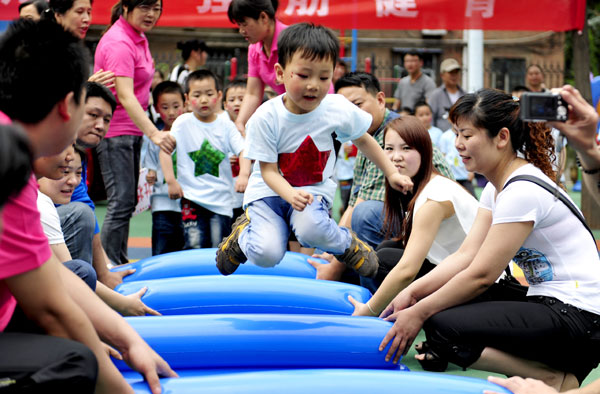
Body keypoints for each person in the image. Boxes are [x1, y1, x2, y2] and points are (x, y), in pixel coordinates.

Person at [378, 88, 600, 391]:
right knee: (432, 303)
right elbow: (466, 255)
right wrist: (412, 293)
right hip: (549, 305)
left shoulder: (522, 190)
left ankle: (551, 377)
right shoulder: (496, 189)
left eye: (467, 135)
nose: (458, 144)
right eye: (456, 134)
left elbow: (482, 275)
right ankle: (553, 371)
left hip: (579, 316)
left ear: (502, 137)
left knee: (442, 325)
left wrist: (419, 311)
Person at [0, 19, 176, 393]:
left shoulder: (14, 151)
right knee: (76, 360)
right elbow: (52, 311)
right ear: (68, 106)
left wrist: (128, 339)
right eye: (89, 109)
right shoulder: (8, 166)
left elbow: (46, 266)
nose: (95, 124)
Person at [215, 23, 413, 277]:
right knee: (266, 255)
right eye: (304, 75)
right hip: (268, 193)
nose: (313, 85)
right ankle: (241, 236)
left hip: (310, 193)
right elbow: (268, 172)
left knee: (311, 231)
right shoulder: (266, 117)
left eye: (323, 77)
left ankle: (347, 244)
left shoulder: (335, 108)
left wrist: (392, 173)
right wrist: (289, 194)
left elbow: (364, 140)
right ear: (280, 73)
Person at [348, 116, 478, 316]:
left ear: (425, 152)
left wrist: (368, 311)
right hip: (450, 268)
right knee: (387, 248)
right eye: (389, 148)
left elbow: (408, 269)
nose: (395, 156)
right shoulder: (412, 186)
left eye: (406, 148)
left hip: (474, 284)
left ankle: (379, 309)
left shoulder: (434, 197)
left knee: (383, 259)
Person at [94, 0, 175, 265]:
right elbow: (126, 97)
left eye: (156, 8)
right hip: (115, 130)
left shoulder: (137, 37)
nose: (151, 14)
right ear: (127, 8)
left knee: (127, 203)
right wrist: (155, 134)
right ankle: (106, 267)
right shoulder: (119, 42)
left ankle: (119, 260)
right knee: (120, 203)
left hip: (132, 131)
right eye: (144, 7)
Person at [38, 146, 160, 316]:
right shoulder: (40, 204)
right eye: (64, 171)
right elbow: (74, 277)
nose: (73, 181)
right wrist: (122, 304)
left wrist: (107, 268)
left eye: (79, 173)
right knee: (83, 270)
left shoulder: (45, 199)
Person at [160, 70, 250, 249]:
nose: (203, 100)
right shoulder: (182, 123)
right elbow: (165, 150)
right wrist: (171, 181)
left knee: (218, 246)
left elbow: (243, 150)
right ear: (187, 99)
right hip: (190, 197)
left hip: (221, 200)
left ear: (218, 95)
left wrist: (244, 175)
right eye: (197, 95)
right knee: (194, 243)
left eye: (209, 94)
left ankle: (217, 277)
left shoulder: (226, 125)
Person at [60, 82, 135, 289]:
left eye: (107, 119)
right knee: (79, 214)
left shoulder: (78, 154)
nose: (101, 125)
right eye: (93, 115)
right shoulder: (55, 149)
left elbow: (86, 208)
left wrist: (106, 267)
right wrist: (102, 275)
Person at [227, 0, 287, 135]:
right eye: (239, 25)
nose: (241, 31)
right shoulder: (254, 49)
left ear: (263, 17)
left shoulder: (292, 41)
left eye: (245, 24)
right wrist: (240, 123)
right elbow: (253, 93)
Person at [145, 81, 186, 255]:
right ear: (156, 108)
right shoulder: (155, 138)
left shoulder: (190, 133)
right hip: (162, 203)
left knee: (185, 249)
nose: (171, 112)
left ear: (185, 103)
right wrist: (150, 172)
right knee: (161, 249)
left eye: (176, 106)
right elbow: (149, 163)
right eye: (165, 107)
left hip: (188, 203)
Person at [43, 0, 115, 87]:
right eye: (79, 12)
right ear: (58, 15)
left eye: (89, 12)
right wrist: (88, 86)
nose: (87, 19)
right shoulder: (45, 50)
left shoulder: (73, 48)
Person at [223, 78, 248, 219]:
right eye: (232, 100)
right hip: (227, 190)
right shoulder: (221, 127)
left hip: (249, 189)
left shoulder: (255, 127)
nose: (237, 103)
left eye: (241, 99)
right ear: (225, 105)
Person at [429, 58, 465, 132]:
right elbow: (430, 120)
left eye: (456, 72)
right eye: (451, 72)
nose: (454, 76)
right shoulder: (436, 95)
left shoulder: (465, 95)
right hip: (440, 140)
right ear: (442, 75)